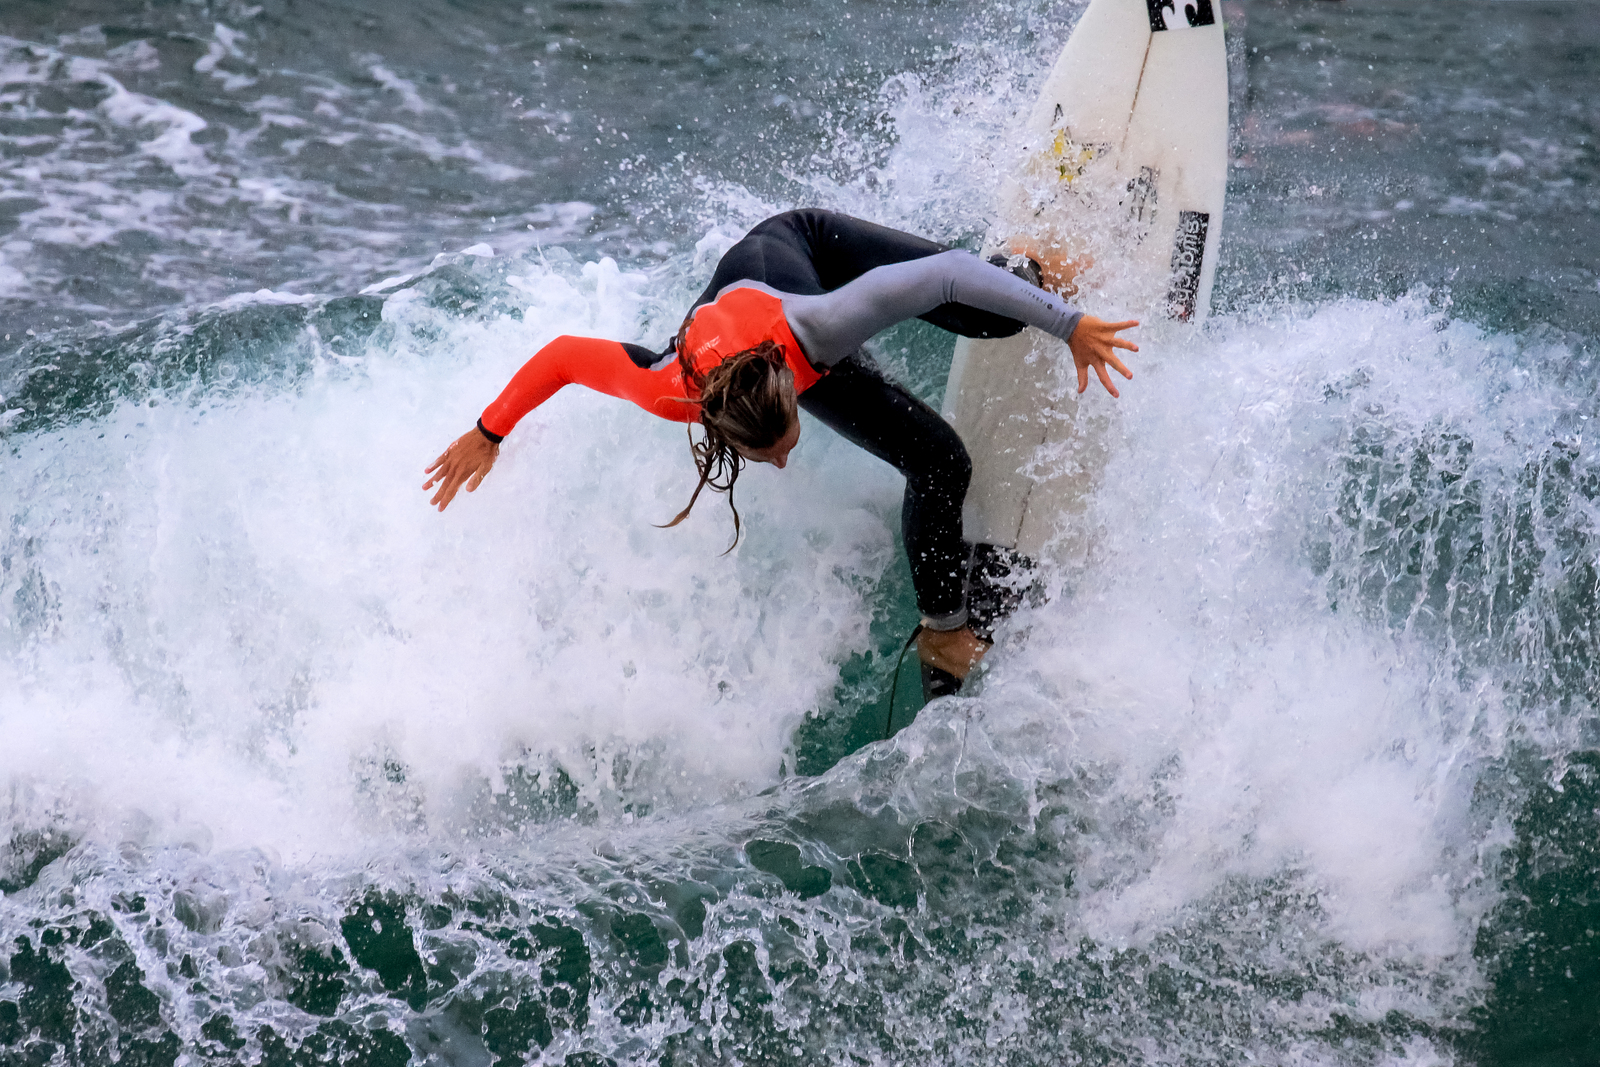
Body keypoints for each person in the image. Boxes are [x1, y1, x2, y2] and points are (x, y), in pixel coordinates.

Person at [423, 209, 1136, 680]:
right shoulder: (670, 390)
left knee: (992, 317)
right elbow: (565, 357)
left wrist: (1067, 324)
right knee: (938, 460)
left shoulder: (824, 325)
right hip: (759, 356)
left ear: (790, 391)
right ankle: (943, 630)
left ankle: (1029, 264)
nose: (787, 458)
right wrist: (488, 433)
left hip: (804, 246)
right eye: (770, 457)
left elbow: (944, 272)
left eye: (784, 442)